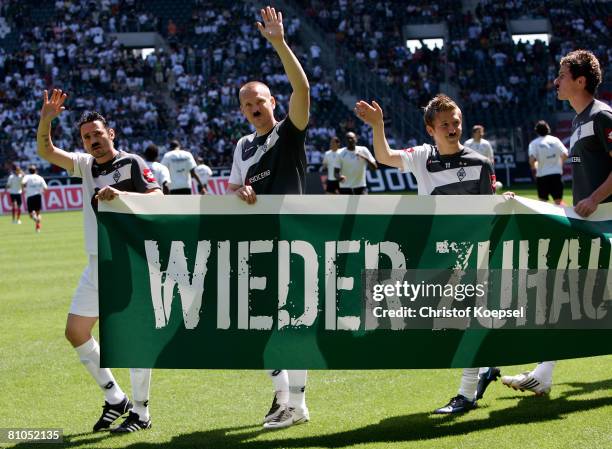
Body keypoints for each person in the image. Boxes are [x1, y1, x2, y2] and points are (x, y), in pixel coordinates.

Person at [355, 94, 499, 413]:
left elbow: (489, 212)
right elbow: (385, 156)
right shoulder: (422, 157)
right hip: (433, 255)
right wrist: (378, 125)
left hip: (468, 253)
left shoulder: (480, 164)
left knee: (466, 319)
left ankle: (466, 394)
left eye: (456, 122)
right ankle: (487, 366)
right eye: (444, 124)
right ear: (430, 129)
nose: (452, 128)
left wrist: (502, 203)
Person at [36, 88, 162, 432]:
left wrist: (120, 194)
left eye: (97, 134)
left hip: (130, 262)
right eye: (86, 136)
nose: (93, 140)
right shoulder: (85, 166)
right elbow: (46, 150)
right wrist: (47, 118)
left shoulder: (133, 163)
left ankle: (141, 412)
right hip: (98, 264)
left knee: (131, 338)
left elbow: (158, 199)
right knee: (76, 331)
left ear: (112, 134)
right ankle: (114, 398)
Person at [501, 49, 612, 395]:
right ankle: (544, 373)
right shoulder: (579, 121)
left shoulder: (602, 116)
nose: (556, 81)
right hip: (589, 226)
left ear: (580, 81)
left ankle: (544, 372)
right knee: (565, 291)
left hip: (607, 223)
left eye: (562, 75)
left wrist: (594, 198)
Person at [226, 6, 310, 429]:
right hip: (259, 243)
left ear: (272, 102)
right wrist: (239, 190)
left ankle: (296, 403)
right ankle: (283, 397)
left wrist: (278, 43)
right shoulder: (242, 146)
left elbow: (303, 87)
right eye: (246, 103)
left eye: (259, 100)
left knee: (292, 322)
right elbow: (233, 188)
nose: (253, 106)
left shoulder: (289, 131)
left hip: (296, 239)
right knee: (259, 325)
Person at [528, 120, 569, 205]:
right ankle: (566, 218)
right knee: (558, 202)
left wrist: (534, 167)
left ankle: (543, 219)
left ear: (536, 131)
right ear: (548, 129)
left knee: (542, 203)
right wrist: (560, 164)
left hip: (542, 176)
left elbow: (532, 160)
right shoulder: (555, 140)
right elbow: (565, 154)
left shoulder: (534, 143)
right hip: (556, 175)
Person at [22, 165, 48, 232]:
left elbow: (23, 183)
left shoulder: (27, 176)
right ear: (36, 170)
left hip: (30, 196)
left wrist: (23, 189)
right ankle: (38, 228)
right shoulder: (40, 177)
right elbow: (45, 188)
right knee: (38, 213)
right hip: (38, 196)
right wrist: (42, 192)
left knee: (31, 214)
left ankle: (35, 218)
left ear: (29, 171)